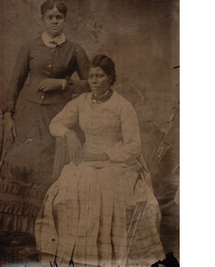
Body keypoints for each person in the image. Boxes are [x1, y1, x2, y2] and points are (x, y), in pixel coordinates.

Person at [35, 54, 165, 266]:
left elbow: (134, 146)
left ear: (111, 78)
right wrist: (69, 134)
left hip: (116, 162)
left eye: (100, 76)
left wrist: (106, 155)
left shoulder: (122, 105)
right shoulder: (81, 102)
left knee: (103, 189)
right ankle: (76, 255)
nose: (94, 81)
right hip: (84, 160)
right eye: (91, 76)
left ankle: (106, 255)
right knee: (65, 191)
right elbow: (55, 124)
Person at [0, 1, 90, 245]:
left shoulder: (75, 50)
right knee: (19, 161)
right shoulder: (29, 47)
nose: (55, 21)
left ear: (65, 20)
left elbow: (92, 83)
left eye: (59, 17)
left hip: (58, 116)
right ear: (43, 19)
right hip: (27, 114)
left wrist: (63, 84)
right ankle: (13, 228)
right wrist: (9, 115)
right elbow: (15, 82)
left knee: (48, 167)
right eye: (50, 17)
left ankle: (42, 229)